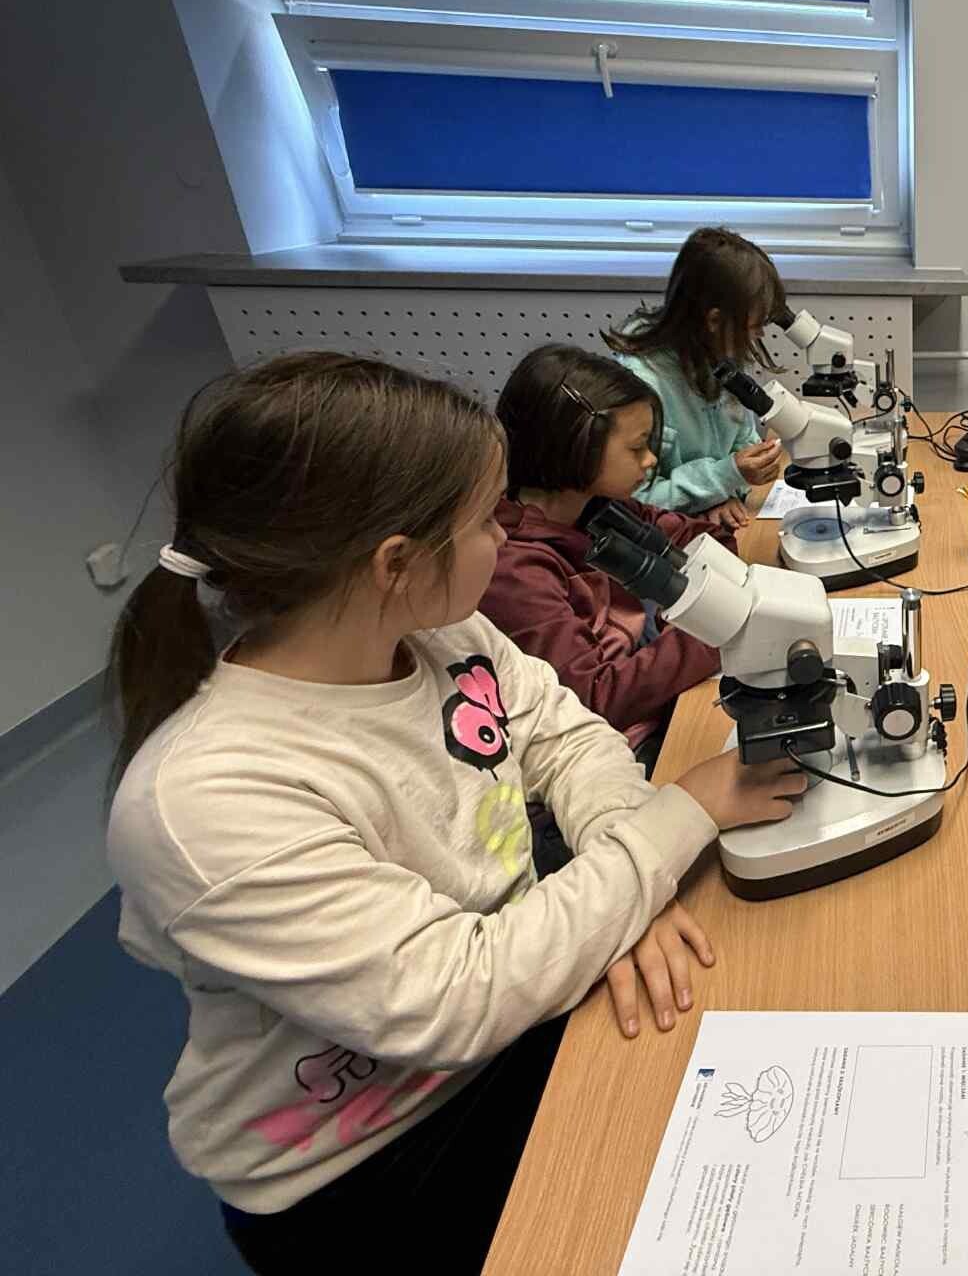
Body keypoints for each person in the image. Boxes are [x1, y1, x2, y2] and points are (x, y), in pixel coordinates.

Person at [104, 354, 808, 1275]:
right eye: (483, 519)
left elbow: (565, 734)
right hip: (368, 1160)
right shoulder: (203, 799)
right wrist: (679, 817)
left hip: (512, 1011)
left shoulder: (440, 631)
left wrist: (621, 868)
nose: (505, 532)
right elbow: (458, 996)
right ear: (396, 563)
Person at [482, 344, 728, 765]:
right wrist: (715, 623)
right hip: (617, 750)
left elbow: (701, 538)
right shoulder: (517, 571)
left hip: (660, 703)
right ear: (573, 446)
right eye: (636, 448)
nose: (650, 460)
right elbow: (595, 696)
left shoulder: (600, 510)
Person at [606, 227, 790, 526]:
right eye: (754, 326)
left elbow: (742, 445)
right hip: (668, 535)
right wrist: (723, 479)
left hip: (715, 520)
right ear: (715, 320)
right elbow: (633, 501)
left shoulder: (719, 352)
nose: (759, 335)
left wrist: (730, 487)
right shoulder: (640, 388)